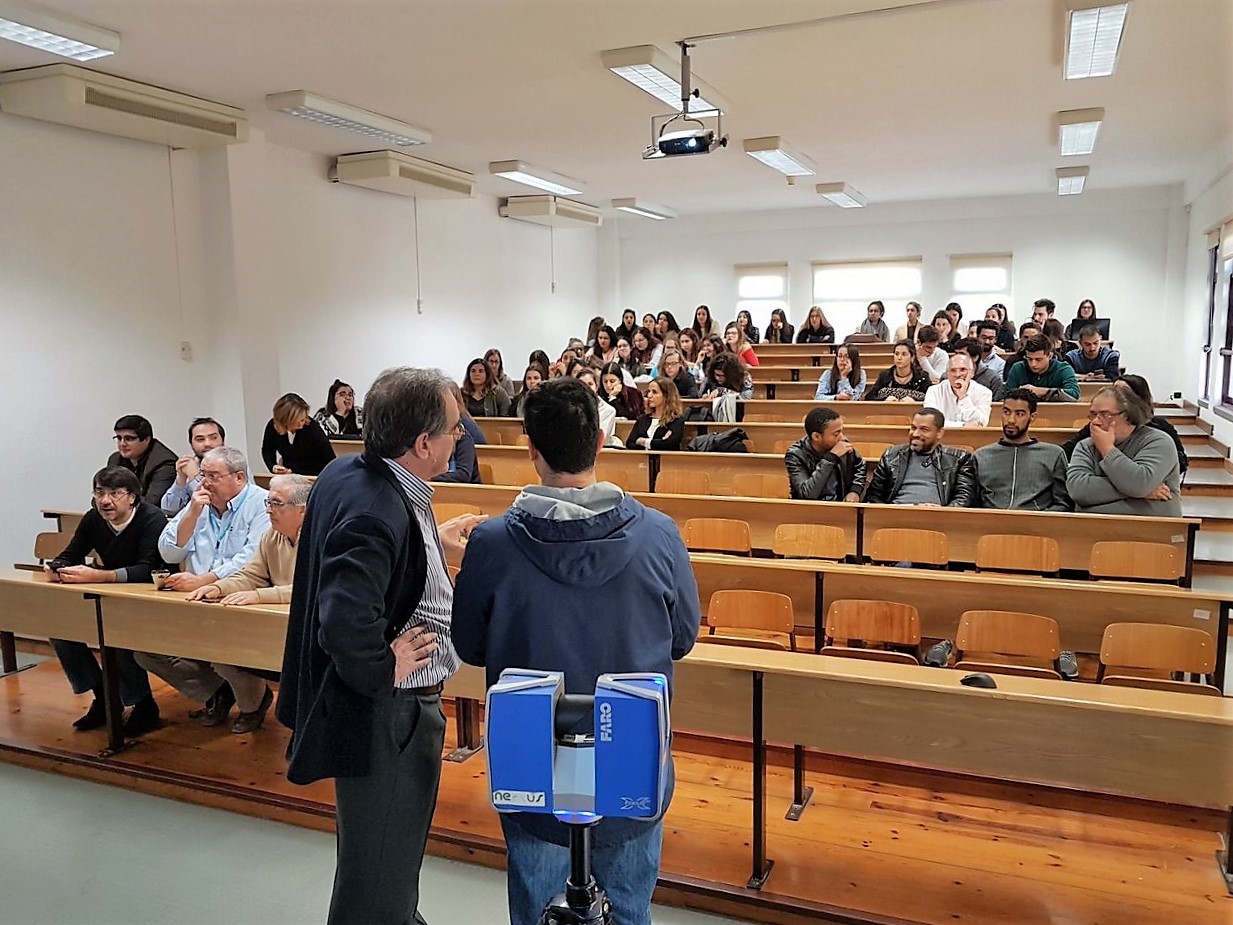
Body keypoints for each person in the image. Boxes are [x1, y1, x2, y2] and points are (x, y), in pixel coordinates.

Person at [452, 377, 700, 925]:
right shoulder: (659, 534)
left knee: (537, 908)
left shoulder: (491, 543)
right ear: (601, 442)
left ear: (531, 449)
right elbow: (683, 638)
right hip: (631, 753)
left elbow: (468, 645)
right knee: (629, 909)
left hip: (532, 757)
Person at [278, 367, 485, 925]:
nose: (460, 437)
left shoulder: (350, 471)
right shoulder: (376, 509)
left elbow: (368, 566)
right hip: (389, 715)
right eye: (454, 428)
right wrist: (382, 665)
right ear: (423, 443)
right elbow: (344, 618)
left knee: (379, 858)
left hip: (383, 712)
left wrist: (429, 542)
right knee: (379, 875)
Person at [141, 446, 271, 727]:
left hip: (235, 596)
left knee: (221, 651)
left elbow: (251, 558)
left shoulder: (261, 503)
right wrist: (191, 512)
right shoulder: (198, 503)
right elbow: (168, 552)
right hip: (193, 598)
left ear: (239, 477)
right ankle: (218, 692)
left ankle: (253, 703)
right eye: (202, 475)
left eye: (213, 476)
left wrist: (205, 580)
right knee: (147, 648)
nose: (205, 483)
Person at [44, 467, 165, 736]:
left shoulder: (151, 518)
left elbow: (149, 569)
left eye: (114, 493)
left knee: (115, 635)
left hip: (147, 597)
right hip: (107, 594)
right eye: (99, 493)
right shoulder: (94, 518)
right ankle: (105, 697)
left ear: (132, 497)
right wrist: (57, 566)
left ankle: (143, 705)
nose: (105, 501)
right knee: (61, 631)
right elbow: (72, 553)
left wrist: (101, 575)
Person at [188, 473, 313, 606]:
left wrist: (259, 596)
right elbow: (252, 576)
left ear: (303, 509)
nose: (268, 510)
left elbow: (311, 589)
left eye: (277, 503)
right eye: (269, 503)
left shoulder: (319, 540)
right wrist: (219, 587)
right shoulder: (271, 536)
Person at [1067, 386, 1182, 517]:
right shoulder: (1085, 446)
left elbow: (1140, 483)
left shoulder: (1159, 441)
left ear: (1127, 416)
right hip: (1096, 526)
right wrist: (1136, 491)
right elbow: (1078, 491)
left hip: (1152, 526)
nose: (1095, 422)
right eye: (1093, 414)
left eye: (1106, 415)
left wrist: (1107, 449)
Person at [1061, 374, 1188, 473]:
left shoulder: (1159, 428)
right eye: (1114, 390)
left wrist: (1155, 478)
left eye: (1124, 392)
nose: (1117, 395)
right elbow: (1068, 452)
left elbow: (1180, 463)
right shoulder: (1098, 425)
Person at [972, 389, 1070, 511]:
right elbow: (972, 503)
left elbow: (1063, 504)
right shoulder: (981, 456)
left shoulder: (1053, 455)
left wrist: (1038, 519)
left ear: (1032, 417)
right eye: (1006, 412)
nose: (1011, 420)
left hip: (1036, 520)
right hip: (990, 520)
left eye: (1019, 414)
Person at [865, 409, 977, 507]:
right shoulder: (891, 456)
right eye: (913, 428)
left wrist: (944, 511)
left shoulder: (960, 459)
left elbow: (964, 498)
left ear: (939, 433)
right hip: (896, 514)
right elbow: (873, 496)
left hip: (938, 517)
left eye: (924, 429)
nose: (915, 434)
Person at [784, 407, 866, 502]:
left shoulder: (842, 444)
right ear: (816, 436)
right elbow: (808, 494)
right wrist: (830, 459)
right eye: (836, 434)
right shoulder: (795, 454)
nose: (841, 437)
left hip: (841, 505)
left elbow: (860, 466)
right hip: (809, 508)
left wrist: (855, 490)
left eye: (841, 431)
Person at [108, 414, 177, 506]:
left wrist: (117, 499)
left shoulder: (165, 463)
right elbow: (102, 494)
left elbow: (152, 503)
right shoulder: (115, 459)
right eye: (119, 438)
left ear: (146, 439)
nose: (122, 444)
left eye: (129, 439)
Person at [161, 417, 226, 515]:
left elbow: (218, 505)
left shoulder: (235, 464)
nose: (207, 443)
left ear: (223, 441)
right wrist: (181, 479)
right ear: (191, 444)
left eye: (213, 437)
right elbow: (168, 509)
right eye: (200, 439)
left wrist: (195, 477)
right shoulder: (190, 465)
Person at [262, 393, 336, 475]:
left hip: (313, 475)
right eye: (299, 421)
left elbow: (329, 458)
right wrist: (273, 467)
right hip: (288, 475)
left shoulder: (312, 428)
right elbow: (267, 450)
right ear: (287, 420)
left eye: (304, 419)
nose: (302, 423)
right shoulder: (273, 427)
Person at [923, 353, 993, 428]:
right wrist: (963, 425)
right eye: (953, 370)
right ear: (947, 373)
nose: (957, 375)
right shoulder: (934, 391)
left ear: (972, 373)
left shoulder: (984, 393)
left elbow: (981, 423)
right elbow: (930, 421)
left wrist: (963, 397)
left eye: (963, 370)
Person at [1005, 334, 1081, 402]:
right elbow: (1005, 395)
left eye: (1038, 359)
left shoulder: (1063, 369)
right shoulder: (1018, 368)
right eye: (1029, 359)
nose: (1033, 364)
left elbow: (1074, 394)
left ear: (1050, 356)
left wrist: (1043, 391)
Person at [434, 385, 482, 484]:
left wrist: (430, 477)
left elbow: (464, 475)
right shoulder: (433, 435)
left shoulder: (464, 437)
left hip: (467, 490)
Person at [625, 377, 685, 451]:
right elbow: (630, 443)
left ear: (667, 396)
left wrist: (643, 442)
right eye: (649, 391)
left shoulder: (676, 420)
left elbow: (670, 444)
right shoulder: (642, 419)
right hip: (642, 458)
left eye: (654, 392)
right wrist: (657, 443)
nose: (649, 395)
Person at [866, 340, 932, 401]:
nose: (899, 358)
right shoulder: (885, 376)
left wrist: (915, 401)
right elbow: (870, 397)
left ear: (912, 357)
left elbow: (931, 398)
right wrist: (884, 399)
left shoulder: (922, 377)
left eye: (904, 354)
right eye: (896, 354)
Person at [575, 367, 623, 448]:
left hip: (601, 450)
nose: (586, 388)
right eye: (582, 385)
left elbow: (599, 438)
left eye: (590, 384)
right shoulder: (571, 407)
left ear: (596, 386)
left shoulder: (608, 410)